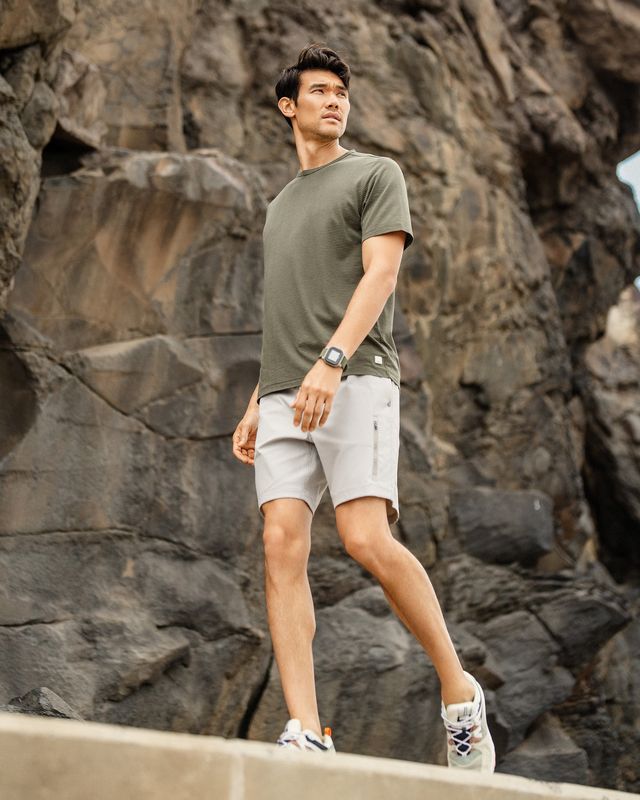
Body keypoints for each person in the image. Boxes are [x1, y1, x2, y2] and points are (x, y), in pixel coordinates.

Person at [232, 42, 495, 772]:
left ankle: (459, 693)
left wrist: (332, 362)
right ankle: (305, 727)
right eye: (318, 91)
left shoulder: (376, 174)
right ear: (288, 107)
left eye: (340, 93)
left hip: (355, 377)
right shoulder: (279, 206)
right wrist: (258, 397)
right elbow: (284, 309)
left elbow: (381, 275)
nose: (334, 101)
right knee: (280, 545)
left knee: (365, 539)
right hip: (283, 393)